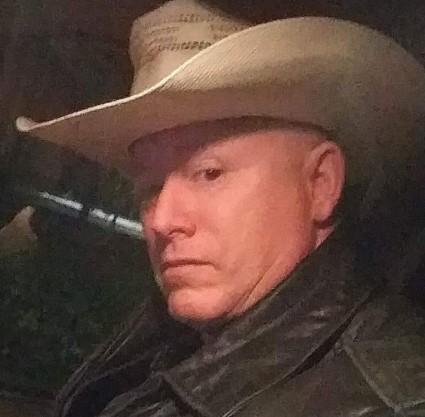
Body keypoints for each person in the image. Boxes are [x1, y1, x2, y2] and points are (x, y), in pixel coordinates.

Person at [16, 0, 425, 415]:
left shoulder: (387, 400)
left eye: (209, 174)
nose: (162, 220)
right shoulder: (167, 339)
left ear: (320, 184)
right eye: (150, 188)